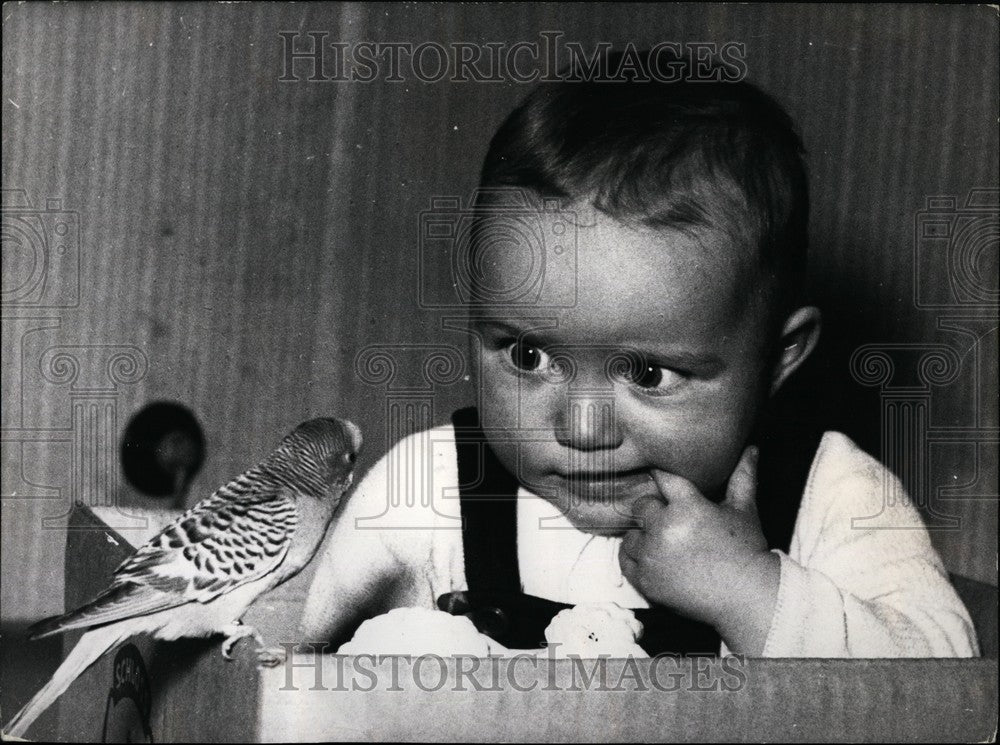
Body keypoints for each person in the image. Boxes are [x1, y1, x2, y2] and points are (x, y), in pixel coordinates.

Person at [301, 51, 979, 658]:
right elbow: (282, 670)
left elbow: (946, 691)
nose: (581, 427)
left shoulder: (829, 495)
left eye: (648, 374)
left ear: (780, 359)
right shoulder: (427, 492)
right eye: (530, 355)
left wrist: (750, 591)